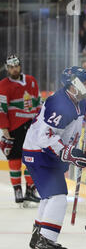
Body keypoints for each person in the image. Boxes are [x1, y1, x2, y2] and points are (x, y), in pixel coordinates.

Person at [22, 66, 86, 249]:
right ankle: (46, 242)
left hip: (45, 154)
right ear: (74, 85)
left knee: (49, 198)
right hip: (39, 153)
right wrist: (70, 154)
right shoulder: (59, 103)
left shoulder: (79, 101)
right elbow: (45, 137)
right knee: (58, 197)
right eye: (85, 82)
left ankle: (38, 239)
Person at [0, 55, 41, 207]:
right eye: (11, 67)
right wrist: (4, 129)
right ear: (7, 68)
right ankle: (17, 190)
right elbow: (1, 109)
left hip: (32, 126)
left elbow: (37, 103)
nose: (14, 69)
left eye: (16, 66)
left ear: (20, 66)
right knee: (15, 159)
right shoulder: (3, 85)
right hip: (15, 128)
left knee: (32, 159)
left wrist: (40, 124)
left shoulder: (31, 80)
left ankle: (30, 190)